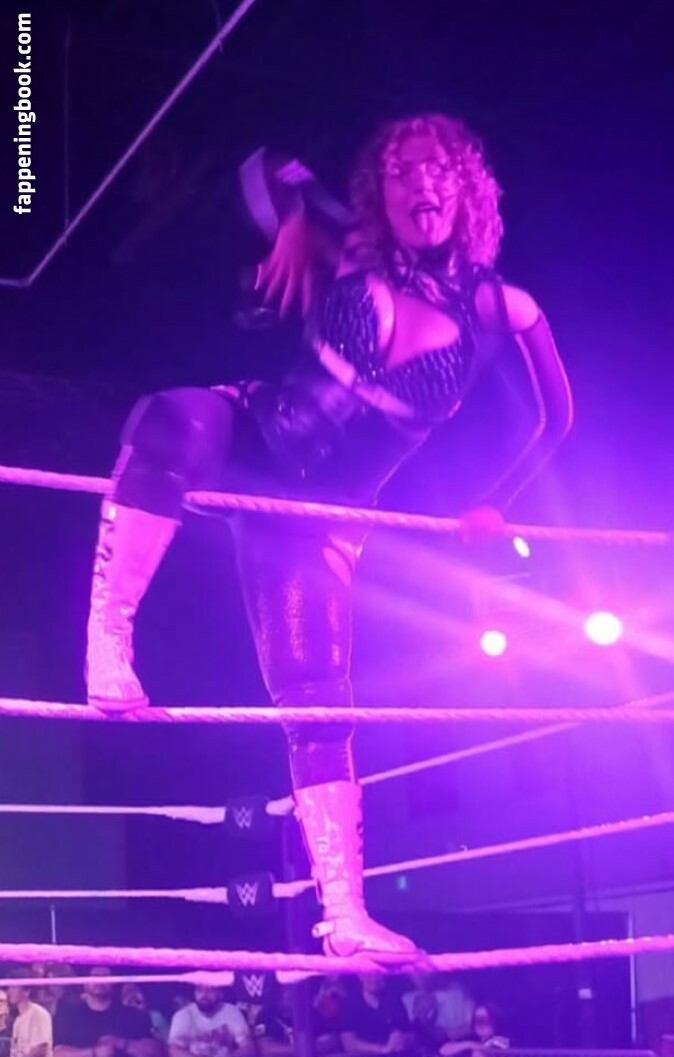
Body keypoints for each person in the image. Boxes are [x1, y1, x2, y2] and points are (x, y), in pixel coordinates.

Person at [84, 114, 574, 964]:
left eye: (436, 170)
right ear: (382, 191)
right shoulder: (350, 248)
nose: (420, 184)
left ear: (465, 189)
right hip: (258, 439)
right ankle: (108, 640)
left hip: (323, 515)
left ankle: (344, 914)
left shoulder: (503, 307)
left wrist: (497, 502)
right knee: (167, 420)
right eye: (401, 172)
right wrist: (294, 219)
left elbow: (557, 416)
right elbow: (262, 162)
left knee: (317, 700)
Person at [53, 966, 160, 1057]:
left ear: (113, 982)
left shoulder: (132, 1014)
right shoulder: (69, 1015)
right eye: (95, 976)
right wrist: (94, 1054)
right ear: (84, 983)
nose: (100, 981)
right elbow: (57, 1055)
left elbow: (153, 1051)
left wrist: (122, 1044)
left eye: (105, 976)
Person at [168, 985, 254, 1057]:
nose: (204, 995)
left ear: (220, 993)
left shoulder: (232, 1012)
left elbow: (249, 1048)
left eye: (210, 990)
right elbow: (174, 1052)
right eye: (200, 990)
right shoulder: (183, 1015)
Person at [6, 967, 53, 1057]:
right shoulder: (17, 1020)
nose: (9, 991)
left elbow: (41, 1049)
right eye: (9, 987)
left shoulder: (39, 1014)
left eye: (13, 987)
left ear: (26, 991)